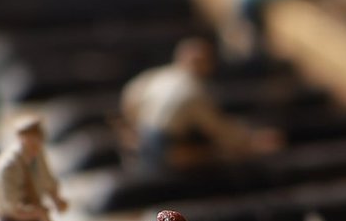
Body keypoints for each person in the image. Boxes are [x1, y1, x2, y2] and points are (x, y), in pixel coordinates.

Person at [119, 38, 279, 173]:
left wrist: (137, 125)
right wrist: (251, 142)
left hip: (143, 135)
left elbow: (130, 97)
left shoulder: (162, 75)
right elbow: (216, 129)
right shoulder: (193, 91)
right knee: (220, 156)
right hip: (165, 149)